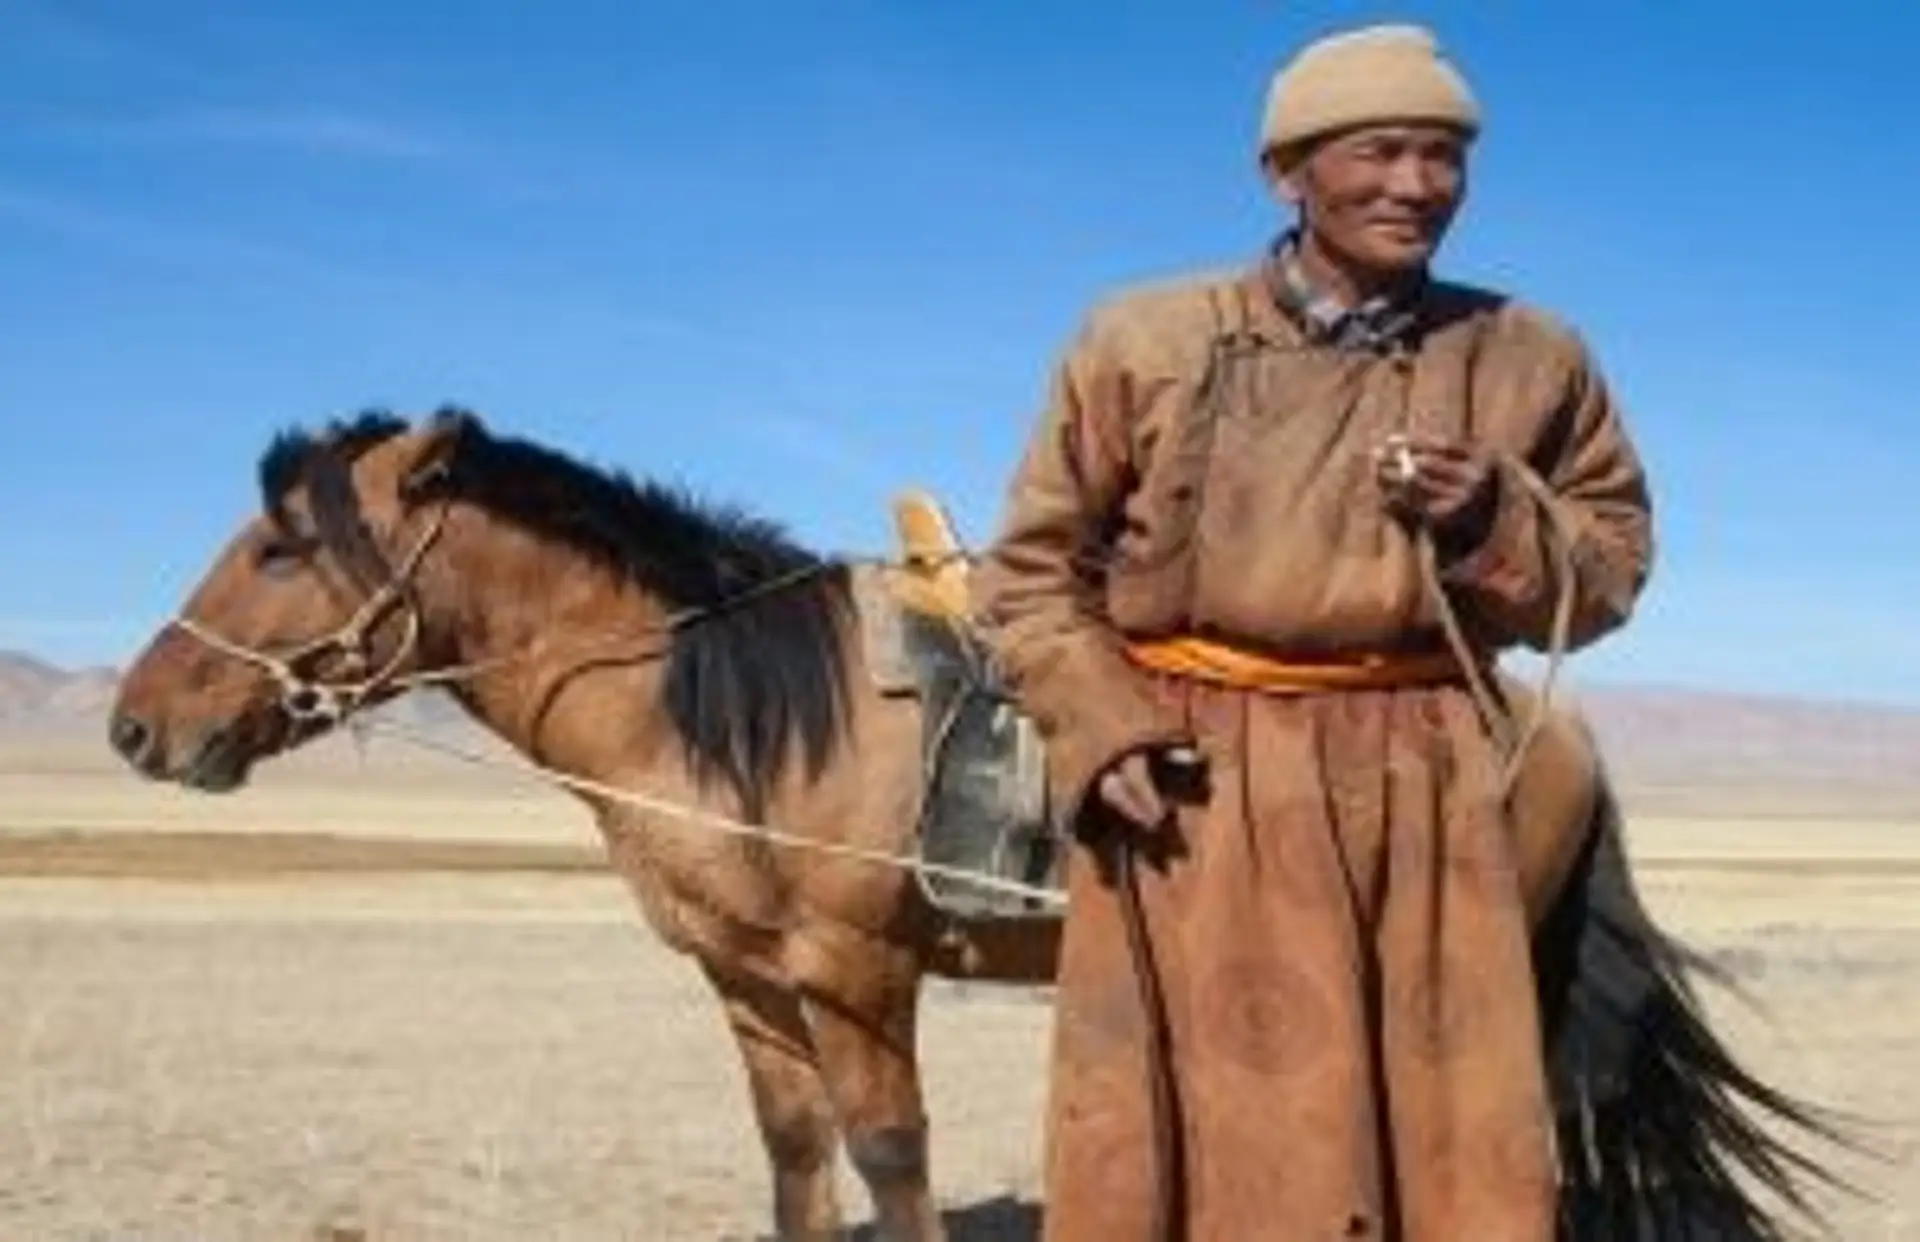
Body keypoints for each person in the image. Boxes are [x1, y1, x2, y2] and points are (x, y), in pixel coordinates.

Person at [969, 21, 1655, 1242]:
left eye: (1444, 156)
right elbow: (1029, 571)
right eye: (1380, 151)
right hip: (1193, 781)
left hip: (1427, 784)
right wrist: (1102, 727)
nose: (1417, 185)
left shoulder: (1532, 357)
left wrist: (1493, 514)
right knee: (1220, 1127)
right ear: (1287, 172)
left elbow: (1608, 575)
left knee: (1452, 1130)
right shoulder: (1143, 339)